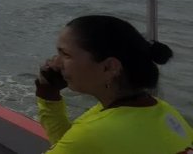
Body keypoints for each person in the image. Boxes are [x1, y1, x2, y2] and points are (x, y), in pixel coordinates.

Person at [36, 15, 192, 153]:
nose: (56, 62)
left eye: (65, 54)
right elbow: (71, 144)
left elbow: (78, 145)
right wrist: (49, 95)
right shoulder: (163, 110)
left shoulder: (93, 133)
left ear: (109, 67)